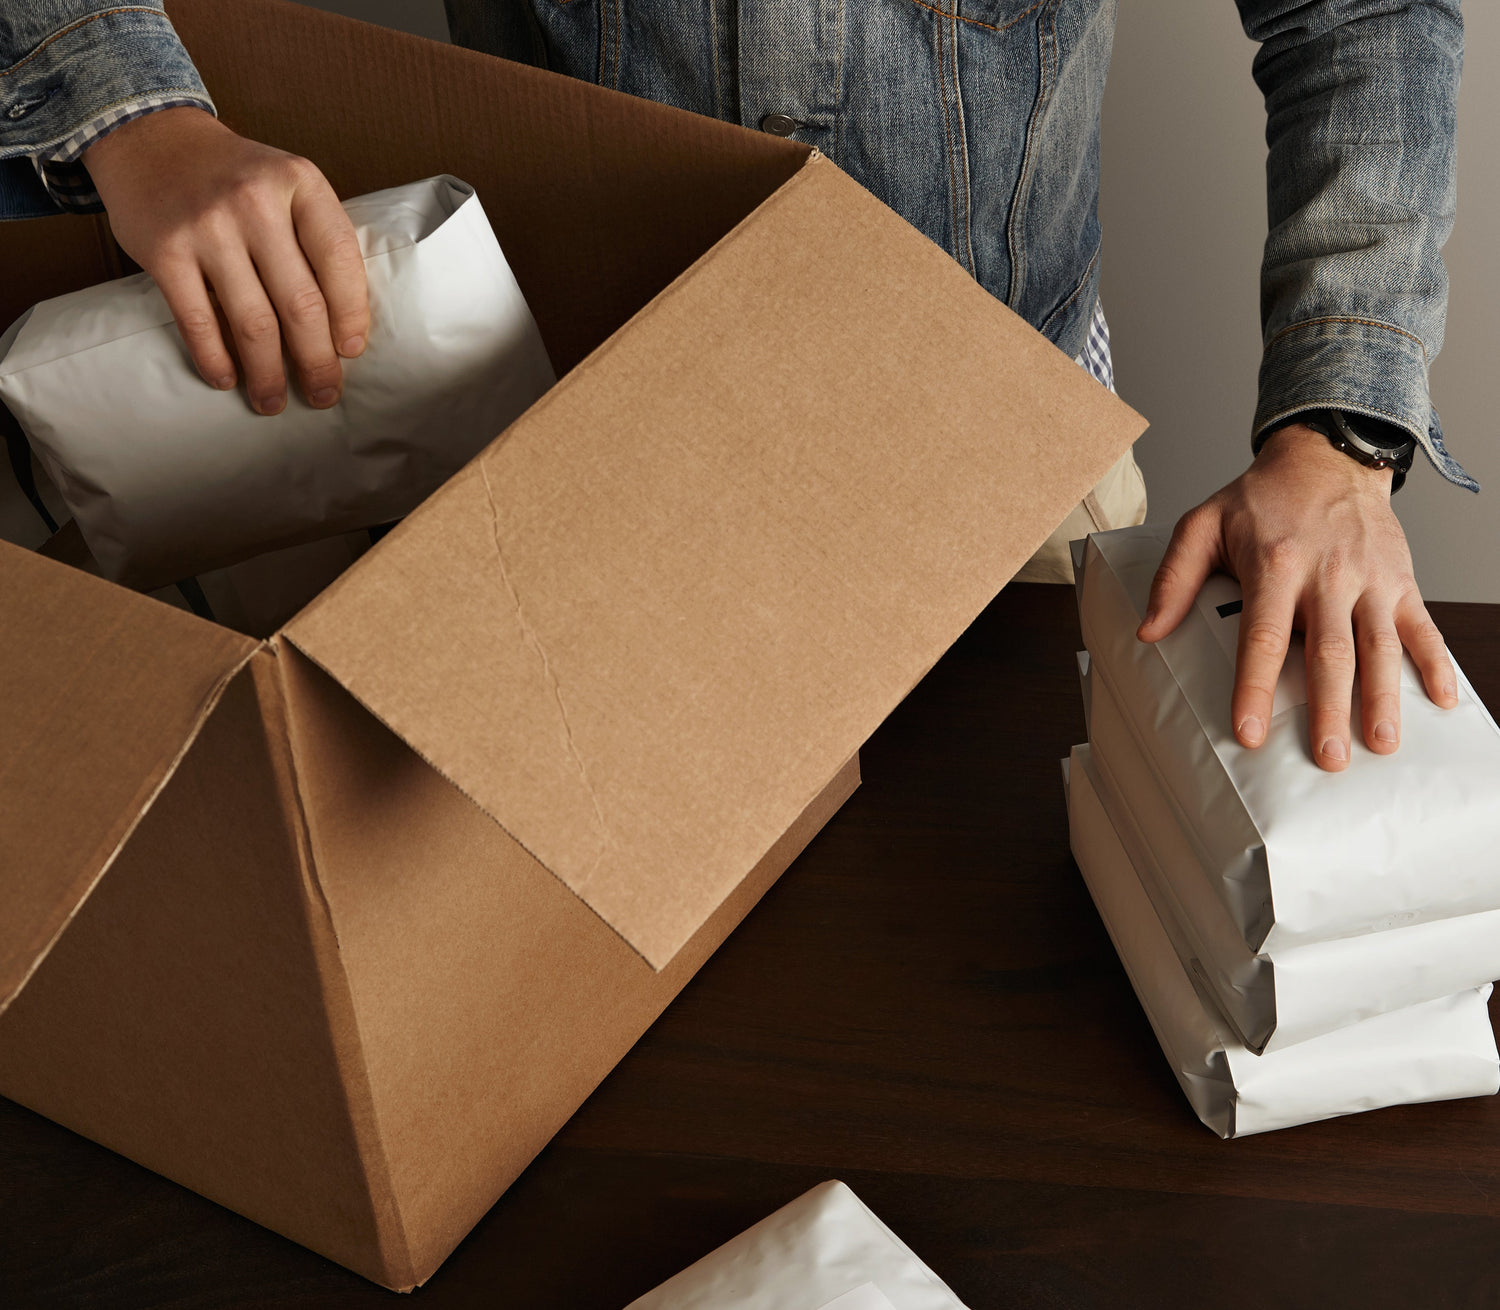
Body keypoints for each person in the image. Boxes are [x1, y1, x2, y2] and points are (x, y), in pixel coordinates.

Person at [0, 0, 1474, 772]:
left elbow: (1361, 9)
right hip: (554, 502)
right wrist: (135, 113)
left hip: (1002, 512)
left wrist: (1340, 432)